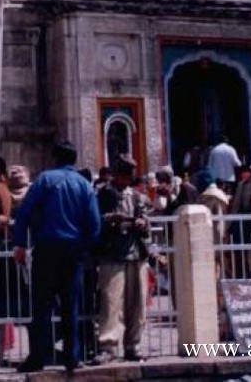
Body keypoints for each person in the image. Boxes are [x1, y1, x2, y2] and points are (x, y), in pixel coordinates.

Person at [12, 140, 101, 373]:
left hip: (46, 248)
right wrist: (85, 249)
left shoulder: (44, 180)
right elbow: (94, 224)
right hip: (73, 251)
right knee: (70, 306)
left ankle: (38, 358)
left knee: (42, 306)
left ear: (55, 158)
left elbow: (23, 213)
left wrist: (20, 244)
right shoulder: (83, 185)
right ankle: (72, 358)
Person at [91, 154, 149, 366]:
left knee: (137, 304)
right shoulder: (101, 194)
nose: (127, 178)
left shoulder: (137, 197)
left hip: (135, 254)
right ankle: (108, 346)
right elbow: (94, 219)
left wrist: (142, 223)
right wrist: (110, 220)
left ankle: (133, 345)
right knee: (111, 302)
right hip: (112, 254)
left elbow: (146, 224)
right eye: (124, 173)